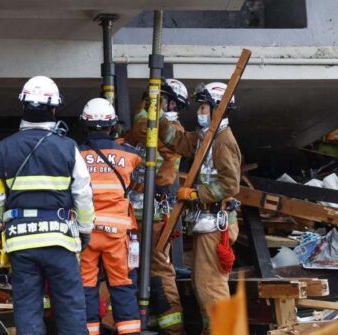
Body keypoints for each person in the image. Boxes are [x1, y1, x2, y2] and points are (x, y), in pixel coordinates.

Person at [0, 76, 95, 335]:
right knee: (70, 305)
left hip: (20, 241)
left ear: (23, 107)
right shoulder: (68, 148)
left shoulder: (1, 150)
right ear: (54, 109)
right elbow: (83, 194)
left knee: (27, 306)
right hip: (60, 240)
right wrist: (85, 229)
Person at [158, 82, 241, 334]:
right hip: (206, 220)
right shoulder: (206, 138)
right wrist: (160, 116)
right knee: (202, 284)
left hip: (215, 221)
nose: (200, 112)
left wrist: (196, 194)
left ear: (217, 109)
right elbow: (178, 141)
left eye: (204, 107)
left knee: (210, 285)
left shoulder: (223, 141)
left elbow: (230, 185)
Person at [125, 79, 189, 335]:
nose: (152, 103)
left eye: (157, 98)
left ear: (170, 103)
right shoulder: (156, 126)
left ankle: (174, 328)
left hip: (153, 214)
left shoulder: (169, 129)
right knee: (136, 268)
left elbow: (141, 128)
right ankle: (149, 320)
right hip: (137, 213)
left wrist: (145, 106)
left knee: (158, 268)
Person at [78, 98, 142, 335]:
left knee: (86, 287)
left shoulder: (76, 153)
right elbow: (140, 183)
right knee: (123, 286)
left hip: (86, 232)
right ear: (113, 125)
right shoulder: (129, 154)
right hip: (117, 233)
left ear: (85, 124)